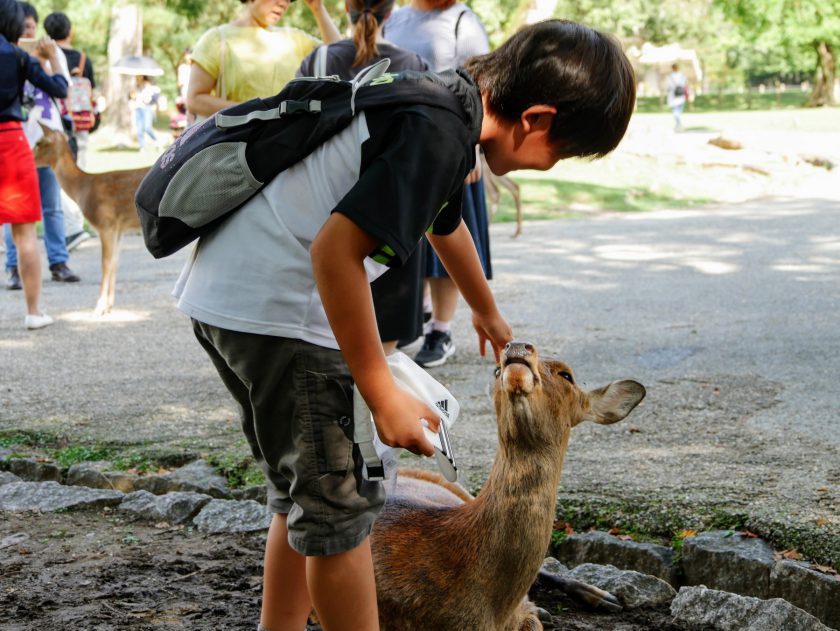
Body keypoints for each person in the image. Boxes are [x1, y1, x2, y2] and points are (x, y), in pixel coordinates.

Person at [173, 19, 635, 631]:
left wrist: (484, 308)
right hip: (286, 315)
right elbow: (333, 254)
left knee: (303, 495)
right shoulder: (441, 135)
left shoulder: (438, 101)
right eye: (562, 153)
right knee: (341, 515)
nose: (549, 167)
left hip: (233, 300)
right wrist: (380, 390)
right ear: (538, 120)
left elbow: (444, 221)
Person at [296, 0, 429, 357]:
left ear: (346, 9)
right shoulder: (414, 66)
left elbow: (295, 129)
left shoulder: (319, 60)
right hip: (391, 209)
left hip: (326, 201)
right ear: (391, 12)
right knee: (383, 348)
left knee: (322, 325)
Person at [383, 0, 493, 367]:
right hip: (401, 147)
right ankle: (415, 316)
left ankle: (441, 331)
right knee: (407, 242)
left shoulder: (462, 20)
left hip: (452, 145)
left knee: (448, 237)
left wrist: (473, 148)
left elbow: (483, 85)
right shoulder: (395, 17)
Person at [0, 0, 68, 329]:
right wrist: (53, 57)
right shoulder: (19, 58)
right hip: (11, 140)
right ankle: (33, 312)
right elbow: (60, 89)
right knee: (24, 233)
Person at [186, 0, 340, 120]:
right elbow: (195, 99)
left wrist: (318, 9)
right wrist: (260, 112)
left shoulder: (295, 38)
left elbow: (339, 57)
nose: (284, 4)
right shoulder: (217, 39)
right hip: (237, 149)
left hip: (290, 148)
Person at [43, 11, 94, 168]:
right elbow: (92, 89)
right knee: (82, 155)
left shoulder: (46, 56)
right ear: (69, 32)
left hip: (54, 117)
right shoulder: (83, 59)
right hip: (80, 117)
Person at [130, 75, 160, 150]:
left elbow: (155, 97)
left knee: (147, 127)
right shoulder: (137, 87)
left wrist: (148, 99)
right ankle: (142, 146)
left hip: (147, 108)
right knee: (139, 129)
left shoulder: (150, 86)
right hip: (138, 108)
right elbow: (132, 97)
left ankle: (156, 140)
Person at [666, 62, 689, 132]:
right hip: (681, 96)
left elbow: (669, 87)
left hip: (673, 97)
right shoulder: (682, 76)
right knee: (678, 112)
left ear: (672, 68)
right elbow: (685, 85)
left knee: (675, 112)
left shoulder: (670, 77)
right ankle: (678, 125)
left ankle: (678, 125)